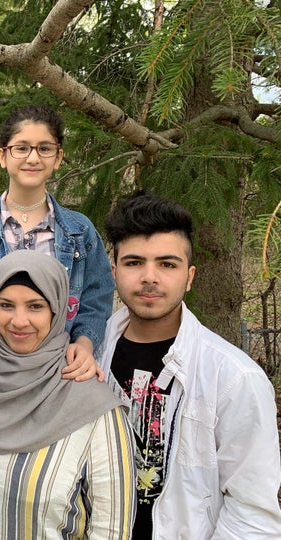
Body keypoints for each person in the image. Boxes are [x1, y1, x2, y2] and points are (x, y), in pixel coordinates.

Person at [99, 191, 281, 539]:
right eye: (134, 262)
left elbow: (253, 517)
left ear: (190, 275)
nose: (149, 277)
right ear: (114, 271)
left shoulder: (234, 378)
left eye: (167, 264)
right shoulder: (91, 354)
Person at [0, 249, 136, 539]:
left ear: (56, 310)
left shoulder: (95, 409)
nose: (19, 321)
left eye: (35, 306)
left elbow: (112, 530)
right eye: (6, 305)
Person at [0, 104, 113, 377]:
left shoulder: (80, 232)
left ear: (58, 157)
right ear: (2, 156)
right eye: (21, 148)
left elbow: (97, 298)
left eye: (44, 148)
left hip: (59, 371)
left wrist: (84, 343)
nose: (33, 158)